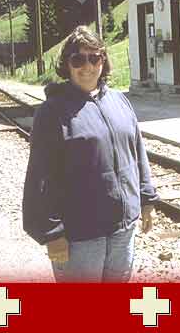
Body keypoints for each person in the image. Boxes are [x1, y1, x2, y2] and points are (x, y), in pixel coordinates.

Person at [22, 26, 159, 282]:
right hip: (80, 236)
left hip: (122, 229)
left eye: (94, 58)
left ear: (103, 60)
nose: (87, 66)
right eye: (78, 59)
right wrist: (52, 233)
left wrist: (147, 200)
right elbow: (40, 177)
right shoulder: (52, 112)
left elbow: (137, 153)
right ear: (67, 65)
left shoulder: (119, 101)